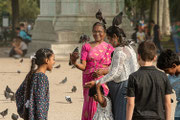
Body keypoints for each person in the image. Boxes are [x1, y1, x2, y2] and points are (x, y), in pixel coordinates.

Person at [85, 26, 138, 120]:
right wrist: (104, 71)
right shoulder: (128, 47)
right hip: (129, 84)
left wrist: (98, 82)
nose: (109, 42)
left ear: (115, 36)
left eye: (109, 39)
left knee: (120, 114)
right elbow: (118, 67)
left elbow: (115, 73)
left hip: (122, 86)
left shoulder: (119, 51)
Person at [70, 22, 114, 120]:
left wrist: (103, 72)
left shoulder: (110, 48)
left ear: (105, 33)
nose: (97, 34)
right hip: (88, 81)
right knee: (88, 106)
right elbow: (84, 66)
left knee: (102, 104)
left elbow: (113, 68)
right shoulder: (86, 46)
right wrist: (74, 62)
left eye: (100, 31)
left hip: (103, 81)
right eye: (94, 31)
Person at [126, 41, 172, 120]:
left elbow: (130, 103)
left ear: (138, 57)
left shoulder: (133, 77)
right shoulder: (163, 76)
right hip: (159, 117)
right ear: (155, 57)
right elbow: (167, 103)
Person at [15, 48, 55, 120]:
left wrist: (25, 111)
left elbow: (18, 93)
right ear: (47, 60)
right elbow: (40, 104)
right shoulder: (42, 78)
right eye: (53, 59)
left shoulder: (32, 74)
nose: (54, 62)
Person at [157, 49, 180, 120]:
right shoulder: (170, 78)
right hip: (178, 113)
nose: (166, 73)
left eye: (166, 70)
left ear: (174, 66)